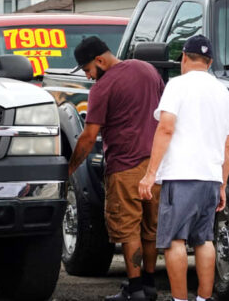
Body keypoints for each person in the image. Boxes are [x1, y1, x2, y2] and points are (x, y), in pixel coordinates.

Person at [138, 35, 229, 301]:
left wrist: (150, 174)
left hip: (181, 176)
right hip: (211, 178)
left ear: (183, 57)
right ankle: (203, 298)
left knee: (174, 241)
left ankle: (180, 300)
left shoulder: (177, 85)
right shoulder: (223, 91)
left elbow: (166, 127)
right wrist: (223, 184)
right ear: (210, 61)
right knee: (204, 240)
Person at [68, 36, 164, 301]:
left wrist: (70, 169)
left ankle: (134, 290)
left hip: (125, 167)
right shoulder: (147, 69)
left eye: (88, 69)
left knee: (128, 229)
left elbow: (89, 137)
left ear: (99, 60)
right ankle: (148, 285)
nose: (88, 76)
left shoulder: (102, 87)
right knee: (150, 229)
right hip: (156, 167)